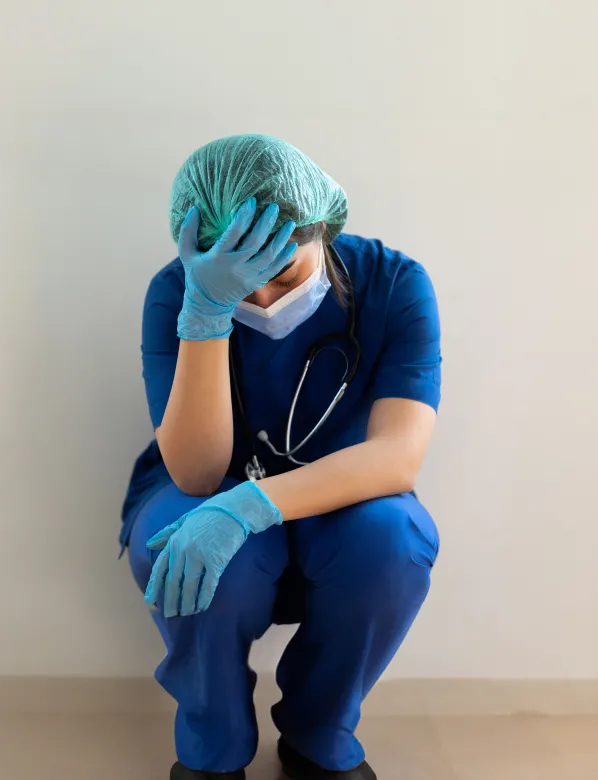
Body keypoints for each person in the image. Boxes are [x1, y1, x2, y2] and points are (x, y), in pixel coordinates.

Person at [122, 134, 442, 780]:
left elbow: (396, 456)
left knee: (392, 541)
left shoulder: (394, 284)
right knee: (184, 542)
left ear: (324, 230)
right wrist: (207, 313)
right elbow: (197, 474)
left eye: (286, 275)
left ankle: (318, 735)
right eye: (242, 287)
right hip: (207, 493)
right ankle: (213, 747)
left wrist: (255, 503)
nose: (265, 300)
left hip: (341, 505)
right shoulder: (178, 293)